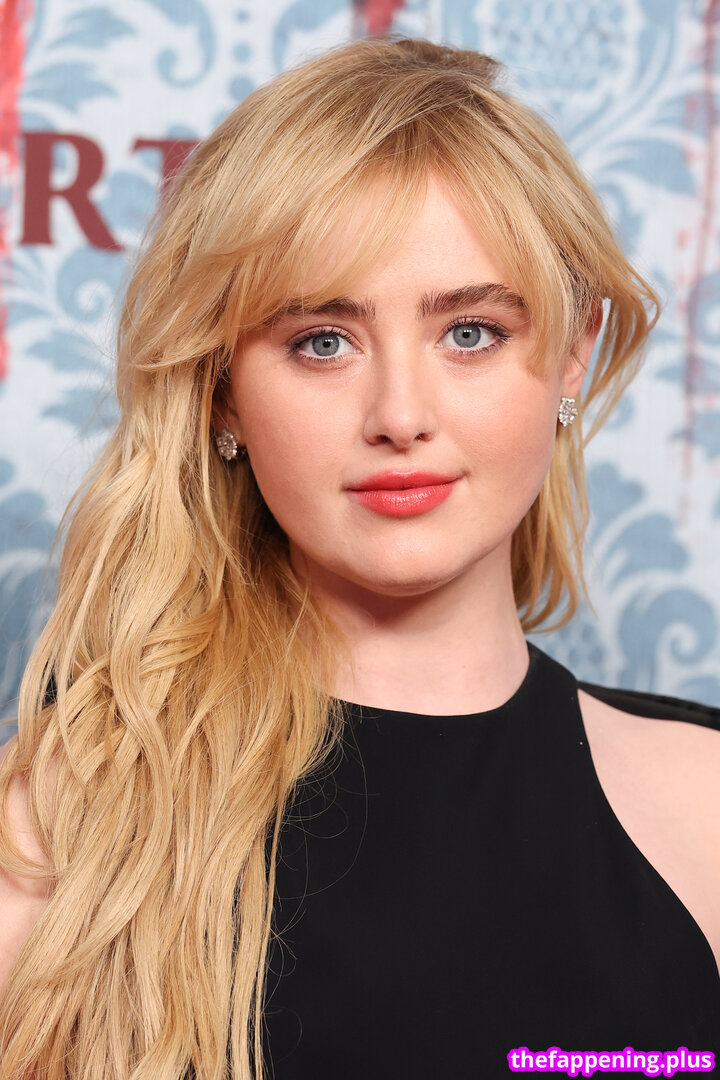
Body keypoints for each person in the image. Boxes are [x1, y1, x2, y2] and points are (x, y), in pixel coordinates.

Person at [0, 32, 718, 1080]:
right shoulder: (65, 827)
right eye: (321, 342)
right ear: (221, 391)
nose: (399, 415)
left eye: (470, 332)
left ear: (573, 353)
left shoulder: (705, 801)